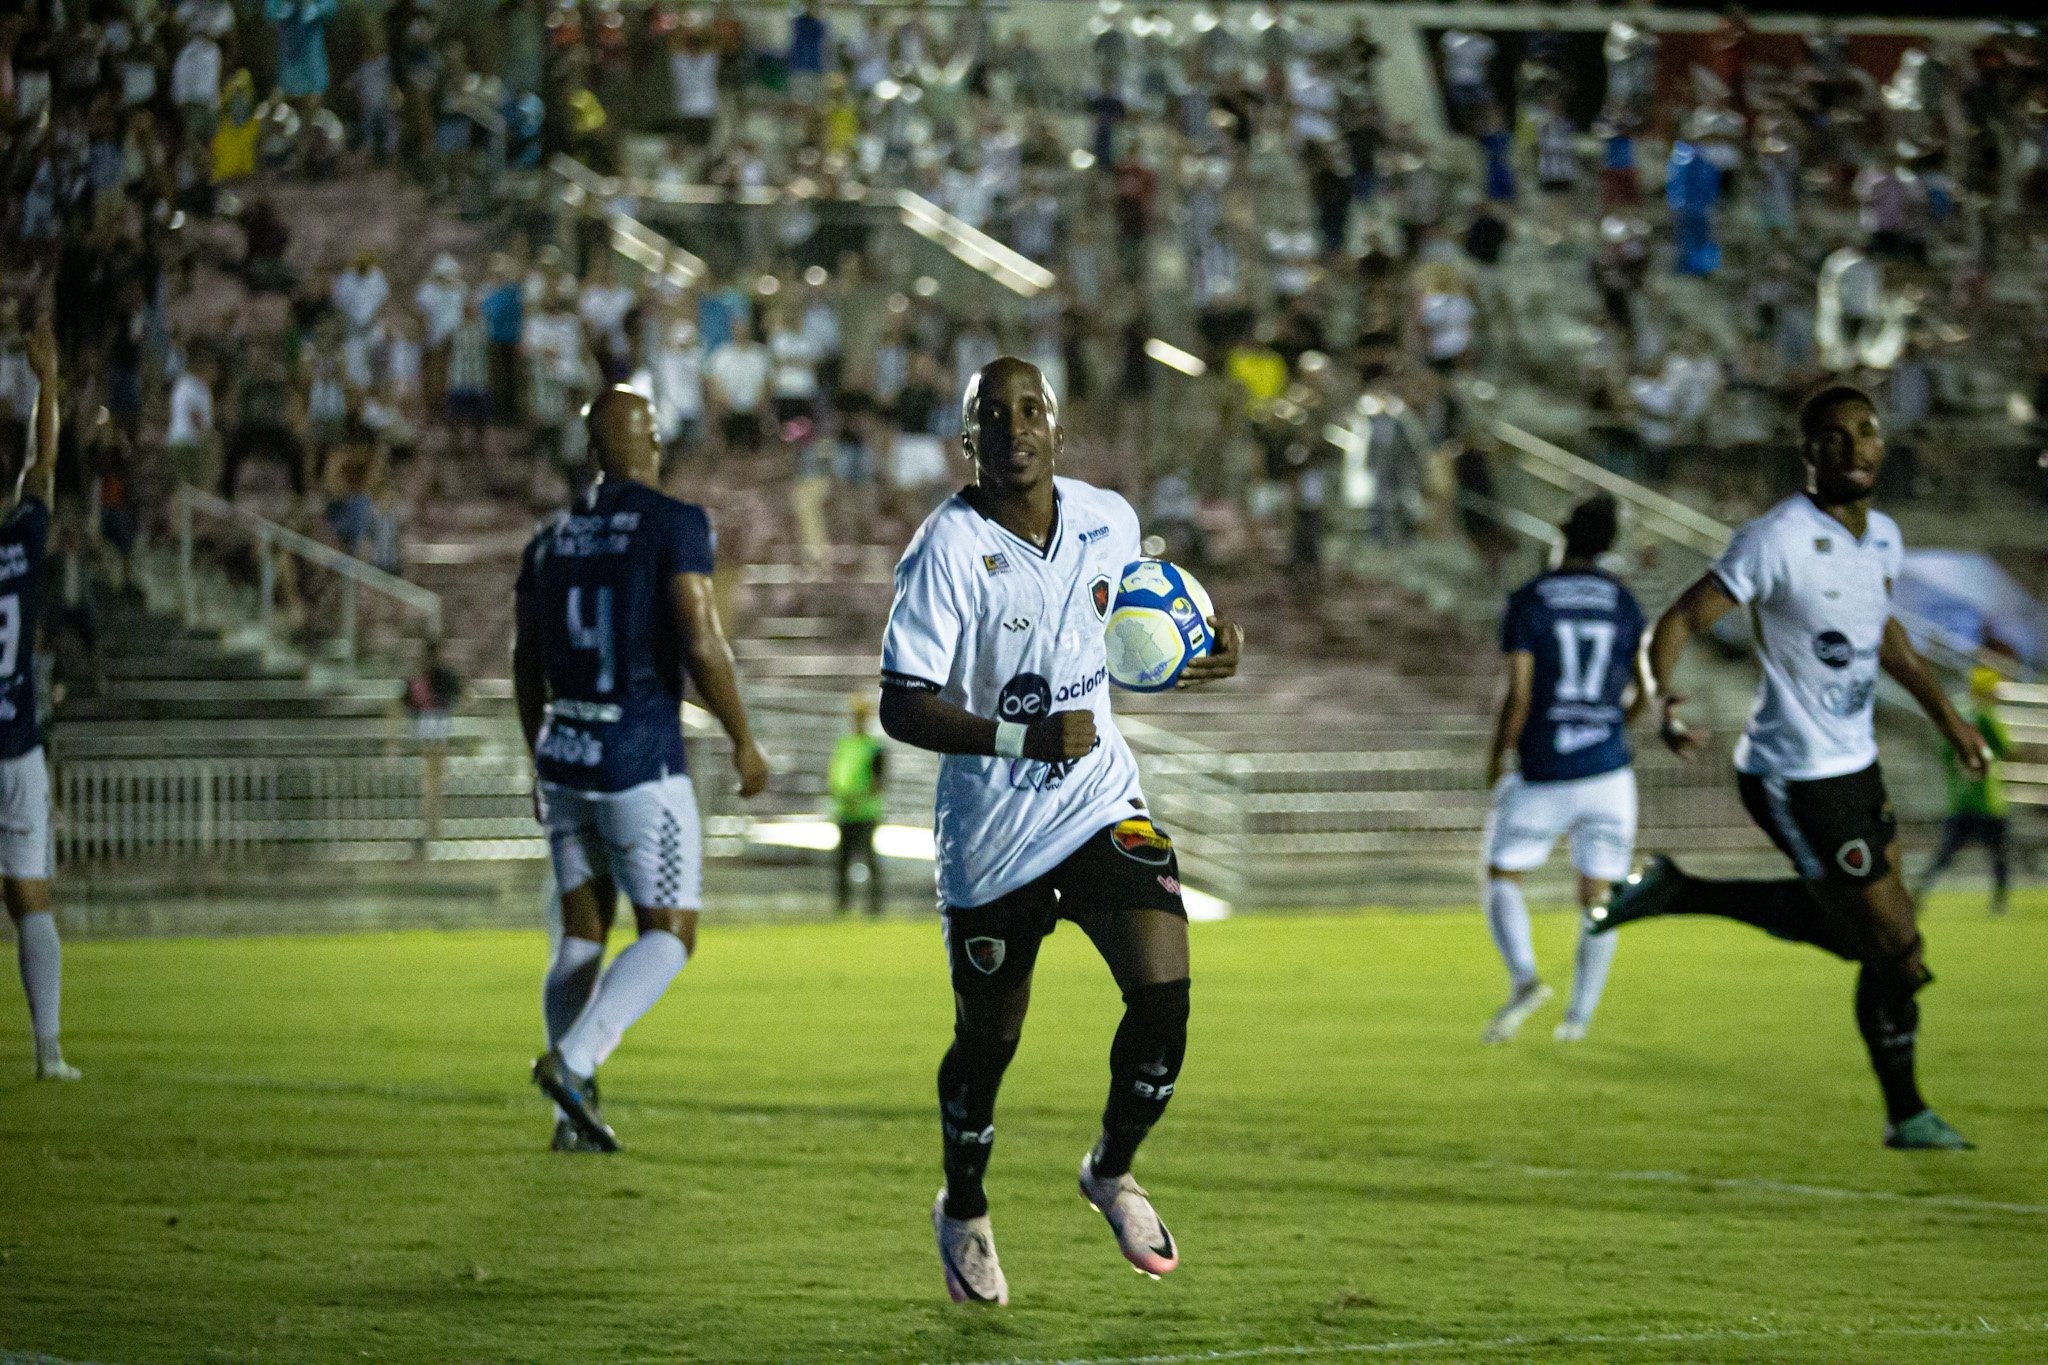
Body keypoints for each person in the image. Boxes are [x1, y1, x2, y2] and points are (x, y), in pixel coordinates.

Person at [880, 358, 1244, 1304]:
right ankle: (963, 1207)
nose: (1014, 427)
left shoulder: (1109, 518)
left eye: (1030, 408)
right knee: (988, 1043)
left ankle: (1110, 1170)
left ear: (1059, 427)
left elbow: (1134, 631)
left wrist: (1200, 647)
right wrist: (1022, 734)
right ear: (969, 444)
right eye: (990, 417)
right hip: (992, 835)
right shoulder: (945, 550)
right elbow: (901, 704)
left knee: (1165, 999)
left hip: (1098, 805)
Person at [1591, 386, 1991, 1151]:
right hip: (1794, 775)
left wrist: (1948, 717)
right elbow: (1675, 619)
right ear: (1809, 452)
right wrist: (1662, 697)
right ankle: (1905, 1113)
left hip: (1857, 763)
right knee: (1897, 947)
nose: (1857, 448)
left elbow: (1885, 634)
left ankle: (1682, 888)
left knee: (1866, 941)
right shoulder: (1774, 540)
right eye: (1836, 439)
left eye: (1868, 432)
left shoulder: (1883, 538)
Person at [517, 386, 770, 1153]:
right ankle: (574, 1060)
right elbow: (699, 639)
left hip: (565, 755)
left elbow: (527, 661)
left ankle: (572, 1120)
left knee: (581, 937)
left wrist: (537, 755)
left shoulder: (550, 537)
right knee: (669, 932)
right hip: (639, 759)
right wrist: (742, 738)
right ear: (653, 442)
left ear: (592, 452)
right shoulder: (675, 521)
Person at [1479, 496, 1649, 1044]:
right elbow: (1645, 686)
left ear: (1561, 535)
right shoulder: (1623, 600)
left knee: (1503, 875)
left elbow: (1520, 694)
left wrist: (1497, 755)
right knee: (1598, 897)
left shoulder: (1530, 599)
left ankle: (1526, 979)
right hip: (1609, 772)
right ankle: (1577, 1019)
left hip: (1546, 770)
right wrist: (1618, 725)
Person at [5, 310, 76, 1080]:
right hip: (18, 745)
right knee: (30, 894)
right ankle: (49, 1051)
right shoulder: (21, 545)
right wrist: (48, 380)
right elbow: (41, 462)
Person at [1914, 667, 2013, 916]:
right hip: (1988, 801)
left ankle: (1919, 893)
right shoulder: (1985, 715)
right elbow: (2005, 747)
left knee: (1945, 853)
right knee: (1999, 853)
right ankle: (1999, 903)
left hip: (1960, 798)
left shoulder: (1956, 710)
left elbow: (1944, 751)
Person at [828, 695, 887, 917]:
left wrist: (857, 797)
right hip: (845, 810)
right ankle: (843, 906)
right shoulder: (845, 744)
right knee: (842, 861)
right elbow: (835, 775)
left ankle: (874, 907)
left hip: (865, 812)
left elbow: (878, 782)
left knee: (868, 859)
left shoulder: (874, 747)